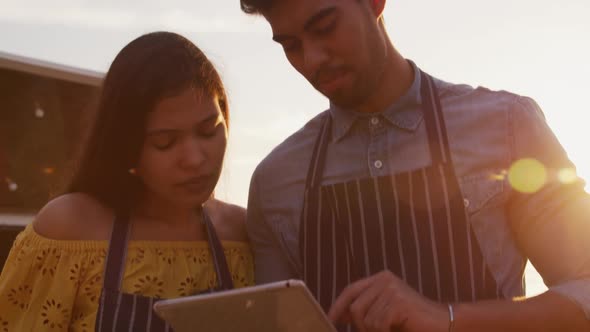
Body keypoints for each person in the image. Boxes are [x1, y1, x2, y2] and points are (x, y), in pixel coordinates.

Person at [240, 0, 590, 331]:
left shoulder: (507, 127)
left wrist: (448, 319)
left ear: (375, 2)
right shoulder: (275, 181)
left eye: (326, 27)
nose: (312, 59)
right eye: (291, 46)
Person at [0, 31, 253, 331]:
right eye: (165, 142)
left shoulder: (241, 232)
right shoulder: (68, 228)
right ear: (125, 146)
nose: (195, 159)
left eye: (209, 131)